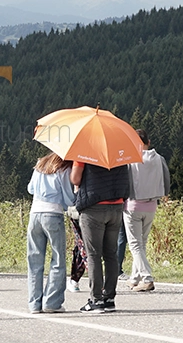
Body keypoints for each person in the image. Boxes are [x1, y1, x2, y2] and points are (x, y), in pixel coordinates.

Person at [72, 156, 130, 313]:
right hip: (116, 206)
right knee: (111, 254)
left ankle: (95, 299)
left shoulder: (84, 153)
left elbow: (75, 179)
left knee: (94, 254)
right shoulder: (119, 153)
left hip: (93, 208)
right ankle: (109, 298)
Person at [26, 152, 76, 313]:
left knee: (34, 260)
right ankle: (51, 302)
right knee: (58, 259)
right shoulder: (63, 168)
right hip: (53, 214)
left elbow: (30, 189)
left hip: (34, 214)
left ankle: (34, 303)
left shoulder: (40, 164)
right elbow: (69, 199)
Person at [124, 132, 170, 292]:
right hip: (151, 205)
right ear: (148, 142)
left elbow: (126, 182)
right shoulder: (159, 159)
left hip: (133, 205)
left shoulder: (131, 159)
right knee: (142, 243)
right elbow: (166, 180)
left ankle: (147, 278)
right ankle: (134, 278)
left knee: (135, 245)